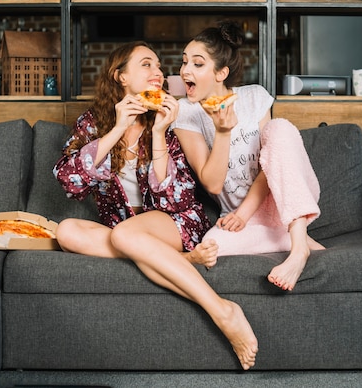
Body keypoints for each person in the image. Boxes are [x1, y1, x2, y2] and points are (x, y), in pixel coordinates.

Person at [53, 41, 258, 370]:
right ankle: (178, 261)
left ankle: (223, 310)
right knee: (66, 231)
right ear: (121, 77)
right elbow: (69, 180)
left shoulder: (168, 120)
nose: (159, 72)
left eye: (160, 67)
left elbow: (172, 200)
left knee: (124, 235)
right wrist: (118, 127)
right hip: (127, 230)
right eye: (147, 65)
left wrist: (160, 132)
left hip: (176, 223)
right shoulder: (92, 123)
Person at [173, 21, 325, 292]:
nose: (185, 70)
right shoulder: (186, 112)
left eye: (197, 64)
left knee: (280, 130)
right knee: (210, 251)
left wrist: (245, 212)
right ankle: (287, 238)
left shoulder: (254, 97)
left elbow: (274, 162)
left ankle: (299, 249)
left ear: (221, 73)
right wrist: (222, 132)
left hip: (281, 198)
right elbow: (213, 185)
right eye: (184, 62)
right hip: (239, 218)